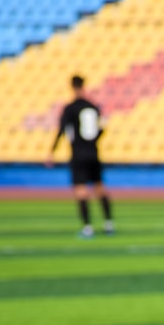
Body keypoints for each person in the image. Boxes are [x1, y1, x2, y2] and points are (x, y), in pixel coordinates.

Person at [47, 75, 113, 238]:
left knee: (81, 190)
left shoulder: (70, 108)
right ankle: (108, 223)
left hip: (78, 153)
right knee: (99, 187)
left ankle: (87, 227)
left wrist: (52, 151)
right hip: (94, 152)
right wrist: (93, 141)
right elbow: (102, 128)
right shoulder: (93, 106)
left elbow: (62, 130)